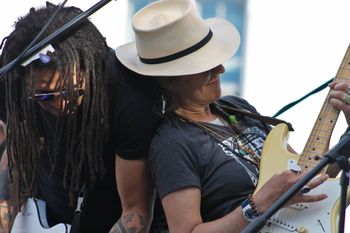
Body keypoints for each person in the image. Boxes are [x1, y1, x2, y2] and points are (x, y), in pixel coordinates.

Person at [115, 0, 349, 232]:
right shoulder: (172, 142)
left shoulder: (237, 107)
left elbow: (308, 174)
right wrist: (258, 205)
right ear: (169, 80)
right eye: (204, 66)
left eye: (215, 59)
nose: (220, 70)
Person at [0, 3, 161, 233]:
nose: (60, 103)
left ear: (89, 67)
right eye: (44, 96)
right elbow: (19, 148)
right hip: (44, 213)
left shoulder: (129, 95)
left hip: (108, 219)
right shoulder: (13, 79)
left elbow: (136, 212)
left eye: (70, 91)